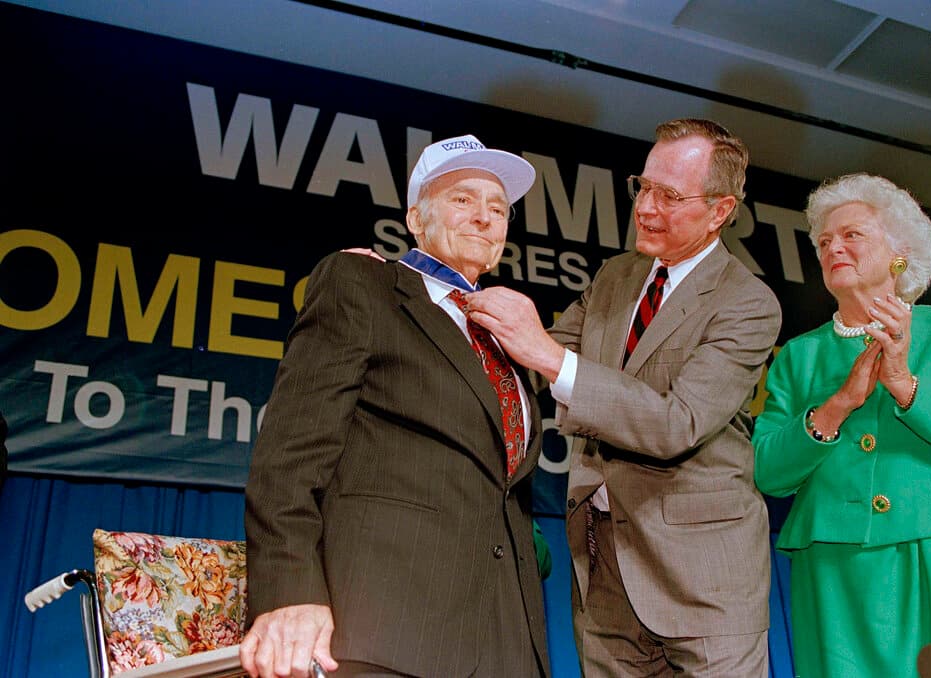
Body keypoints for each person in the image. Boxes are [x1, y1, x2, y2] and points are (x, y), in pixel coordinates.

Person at [466, 118, 782, 676]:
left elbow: (675, 424)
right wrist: (423, 282)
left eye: (670, 195)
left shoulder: (748, 304)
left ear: (720, 211)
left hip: (705, 587)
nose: (646, 207)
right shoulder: (616, 275)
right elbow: (529, 359)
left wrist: (548, 355)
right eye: (643, 186)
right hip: (604, 567)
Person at [240, 134, 551, 678]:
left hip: (506, 642)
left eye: (498, 208)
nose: (484, 218)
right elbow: (291, 452)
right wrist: (288, 591)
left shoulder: (509, 337)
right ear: (415, 219)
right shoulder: (364, 283)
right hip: (388, 633)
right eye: (462, 199)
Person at [751, 173, 931, 678]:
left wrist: (907, 386)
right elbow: (767, 471)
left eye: (852, 235)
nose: (834, 247)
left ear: (901, 254)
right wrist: (835, 408)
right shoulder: (796, 358)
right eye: (825, 241)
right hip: (835, 570)